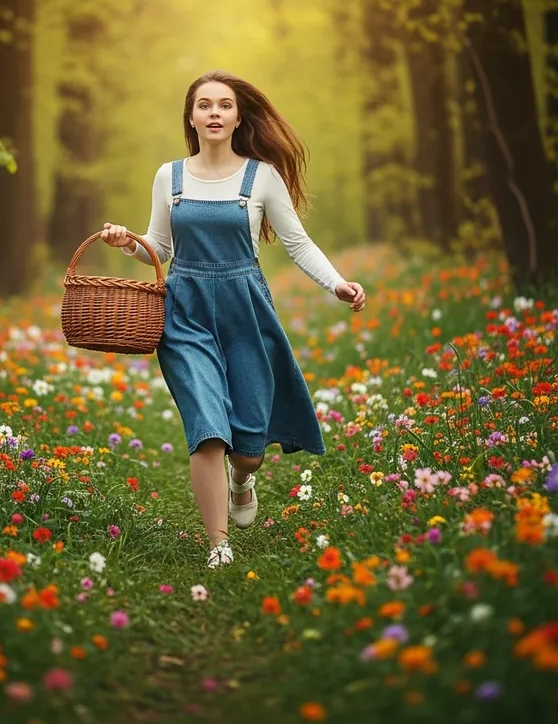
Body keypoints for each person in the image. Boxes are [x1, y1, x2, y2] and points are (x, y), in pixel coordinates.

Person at [101, 70, 366, 569]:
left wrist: (338, 283)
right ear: (192, 116)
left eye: (224, 104)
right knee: (207, 429)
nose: (215, 113)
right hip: (184, 314)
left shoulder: (260, 176)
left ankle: (243, 479)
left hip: (245, 310)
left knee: (247, 449)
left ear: (238, 116)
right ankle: (218, 545)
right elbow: (159, 248)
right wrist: (128, 242)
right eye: (205, 105)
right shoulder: (169, 176)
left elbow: (297, 242)